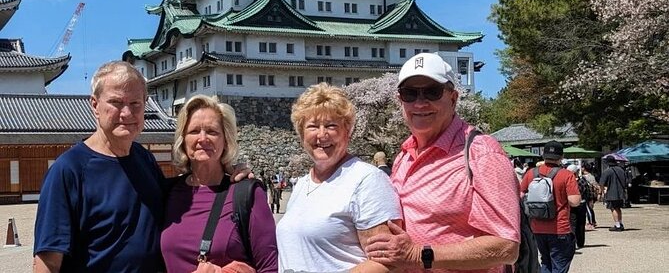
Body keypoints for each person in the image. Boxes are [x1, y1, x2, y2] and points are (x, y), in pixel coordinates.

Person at [366, 53, 520, 272]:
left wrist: (418, 254)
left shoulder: (482, 153)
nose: (420, 103)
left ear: (453, 98)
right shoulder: (403, 156)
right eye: (409, 94)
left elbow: (506, 246)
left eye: (432, 91)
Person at [33, 61, 165, 272]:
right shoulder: (69, 170)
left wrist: (229, 175)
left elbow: (184, 196)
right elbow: (48, 261)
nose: (127, 113)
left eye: (135, 104)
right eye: (116, 103)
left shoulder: (145, 159)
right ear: (95, 105)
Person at [276, 83, 402, 273]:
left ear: (347, 132)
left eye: (331, 125)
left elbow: (387, 263)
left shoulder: (367, 180)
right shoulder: (303, 184)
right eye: (312, 126)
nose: (322, 134)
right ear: (301, 135)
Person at [161, 95, 278, 273]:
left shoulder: (246, 193)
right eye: (194, 131)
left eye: (212, 131)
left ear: (225, 140)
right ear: (183, 140)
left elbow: (270, 267)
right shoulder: (167, 192)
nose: (203, 138)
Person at [520, 141, 580, 273]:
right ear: (561, 156)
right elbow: (574, 201)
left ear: (543, 155)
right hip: (560, 227)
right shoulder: (566, 175)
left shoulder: (531, 173)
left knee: (546, 262)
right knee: (559, 265)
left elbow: (520, 194)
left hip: (537, 227)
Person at [600, 155, 627, 231]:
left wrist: (601, 192)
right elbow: (626, 181)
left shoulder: (607, 171)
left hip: (611, 193)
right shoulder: (621, 170)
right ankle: (620, 223)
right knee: (618, 208)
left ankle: (617, 225)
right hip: (621, 193)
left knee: (613, 208)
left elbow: (601, 183)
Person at [566, 164, 587, 248]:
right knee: (581, 223)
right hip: (581, 203)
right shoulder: (582, 181)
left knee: (572, 223)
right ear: (576, 172)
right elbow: (587, 191)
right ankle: (580, 242)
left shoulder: (568, 181)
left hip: (571, 204)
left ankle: (572, 242)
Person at [581, 163, 599, 230]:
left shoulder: (586, 177)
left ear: (584, 168)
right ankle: (593, 222)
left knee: (588, 209)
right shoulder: (591, 176)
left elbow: (594, 186)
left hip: (588, 195)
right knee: (590, 209)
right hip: (591, 195)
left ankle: (591, 223)